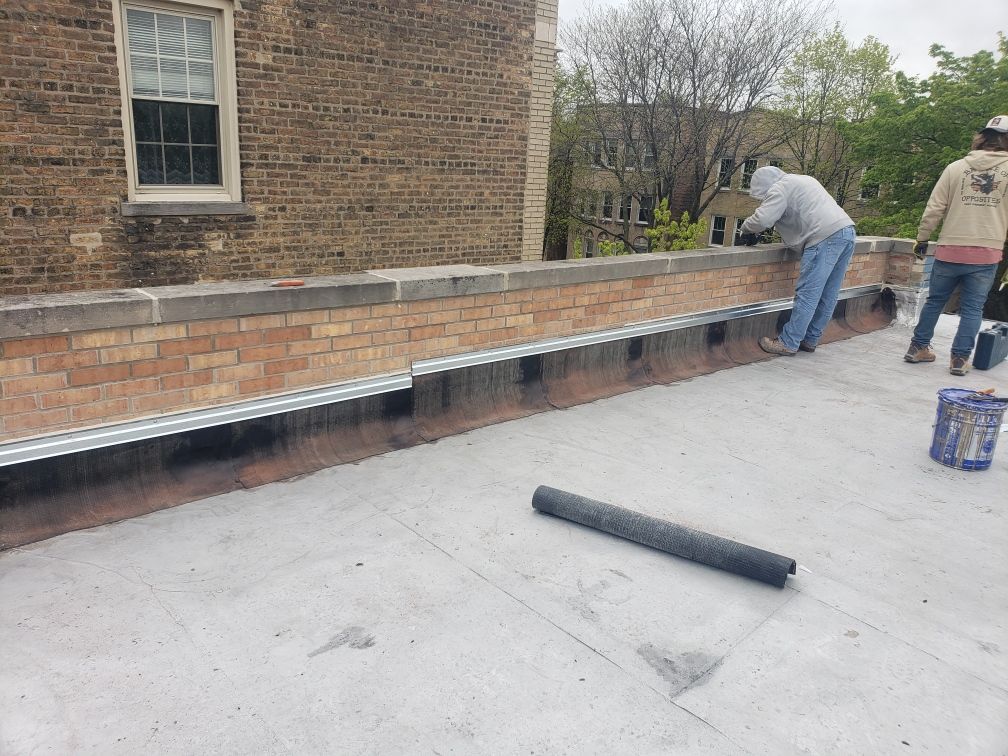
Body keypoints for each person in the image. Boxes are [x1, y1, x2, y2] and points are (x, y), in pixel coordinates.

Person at [904, 115, 1008, 376]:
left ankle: (917, 348)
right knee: (973, 308)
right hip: (987, 253)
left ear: (983, 137)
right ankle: (959, 360)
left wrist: (923, 238)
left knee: (935, 301)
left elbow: (934, 208)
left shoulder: (955, 167)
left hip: (950, 248)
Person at [737, 166, 856, 356]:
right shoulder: (804, 180)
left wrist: (745, 229)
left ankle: (788, 342)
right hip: (846, 232)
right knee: (828, 294)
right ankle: (810, 339)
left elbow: (763, 219)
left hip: (823, 238)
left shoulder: (779, 188)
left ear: (765, 187)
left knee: (808, 294)